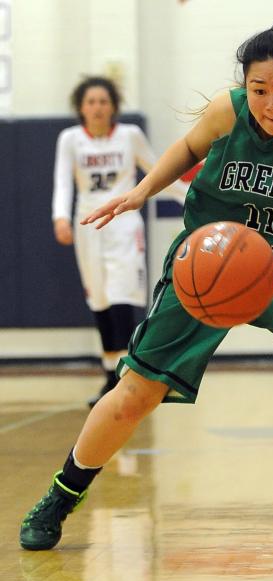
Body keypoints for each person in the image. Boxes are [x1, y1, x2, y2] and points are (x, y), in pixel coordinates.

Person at [19, 22, 273, 552]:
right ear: (245, 86)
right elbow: (187, 148)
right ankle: (61, 493)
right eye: (260, 90)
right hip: (208, 261)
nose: (272, 103)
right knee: (134, 395)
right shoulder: (228, 109)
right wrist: (140, 191)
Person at [52, 76, 155, 408]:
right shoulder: (70, 139)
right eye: (91, 102)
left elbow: (156, 173)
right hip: (89, 224)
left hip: (124, 222)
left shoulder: (130, 136)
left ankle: (127, 376)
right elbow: (63, 183)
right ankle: (110, 373)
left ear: (113, 107)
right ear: (81, 108)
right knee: (99, 299)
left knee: (123, 294)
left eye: (103, 101)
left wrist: (192, 199)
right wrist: (60, 218)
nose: (97, 107)